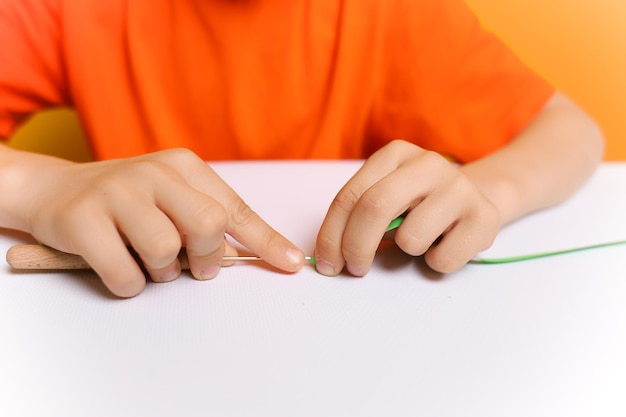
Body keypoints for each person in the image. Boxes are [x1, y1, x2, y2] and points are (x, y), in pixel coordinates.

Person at [0, 0, 604, 298]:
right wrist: (39, 188)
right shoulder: (69, 9)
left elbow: (571, 131)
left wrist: (486, 194)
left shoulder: (392, 15)